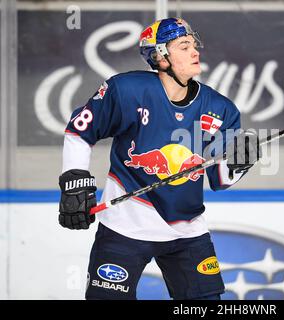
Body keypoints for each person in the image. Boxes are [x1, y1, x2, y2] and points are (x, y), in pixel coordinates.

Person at [58, 17, 260, 300]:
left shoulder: (221, 109)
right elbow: (79, 131)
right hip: (124, 227)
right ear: (160, 57)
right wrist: (74, 180)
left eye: (194, 45)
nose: (195, 52)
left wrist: (240, 163)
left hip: (187, 233)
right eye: (183, 46)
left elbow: (219, 179)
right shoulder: (127, 90)